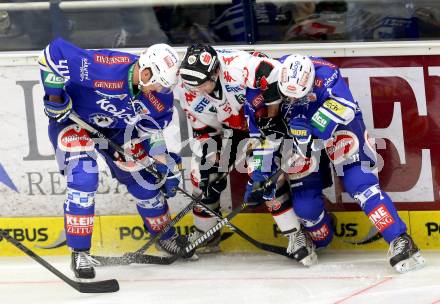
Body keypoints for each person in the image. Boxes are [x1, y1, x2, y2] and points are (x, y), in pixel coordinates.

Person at [38, 38, 195, 279]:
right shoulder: (105, 67)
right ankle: (79, 252)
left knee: (146, 182)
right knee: (84, 176)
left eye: (164, 87)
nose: (159, 91)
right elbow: (53, 53)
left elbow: (151, 133)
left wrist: (163, 165)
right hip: (74, 122)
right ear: (146, 70)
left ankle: (166, 237)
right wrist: (55, 98)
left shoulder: (158, 98)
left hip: (117, 132)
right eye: (158, 84)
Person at [271, 53, 425, 273]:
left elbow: (346, 108)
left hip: (339, 127)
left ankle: (400, 239)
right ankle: (319, 236)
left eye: (300, 96)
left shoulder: (327, 73)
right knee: (306, 208)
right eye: (289, 97)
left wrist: (311, 131)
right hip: (296, 134)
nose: (294, 101)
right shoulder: (271, 73)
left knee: (361, 185)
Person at [177, 44, 316, 265]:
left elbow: (272, 70)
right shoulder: (188, 88)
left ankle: (296, 236)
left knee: (263, 173)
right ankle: (205, 234)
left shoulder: (234, 64)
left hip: (264, 124)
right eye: (193, 84)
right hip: (233, 131)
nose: (197, 88)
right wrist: (209, 168)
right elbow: (204, 132)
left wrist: (272, 118)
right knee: (201, 173)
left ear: (215, 71)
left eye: (202, 82)